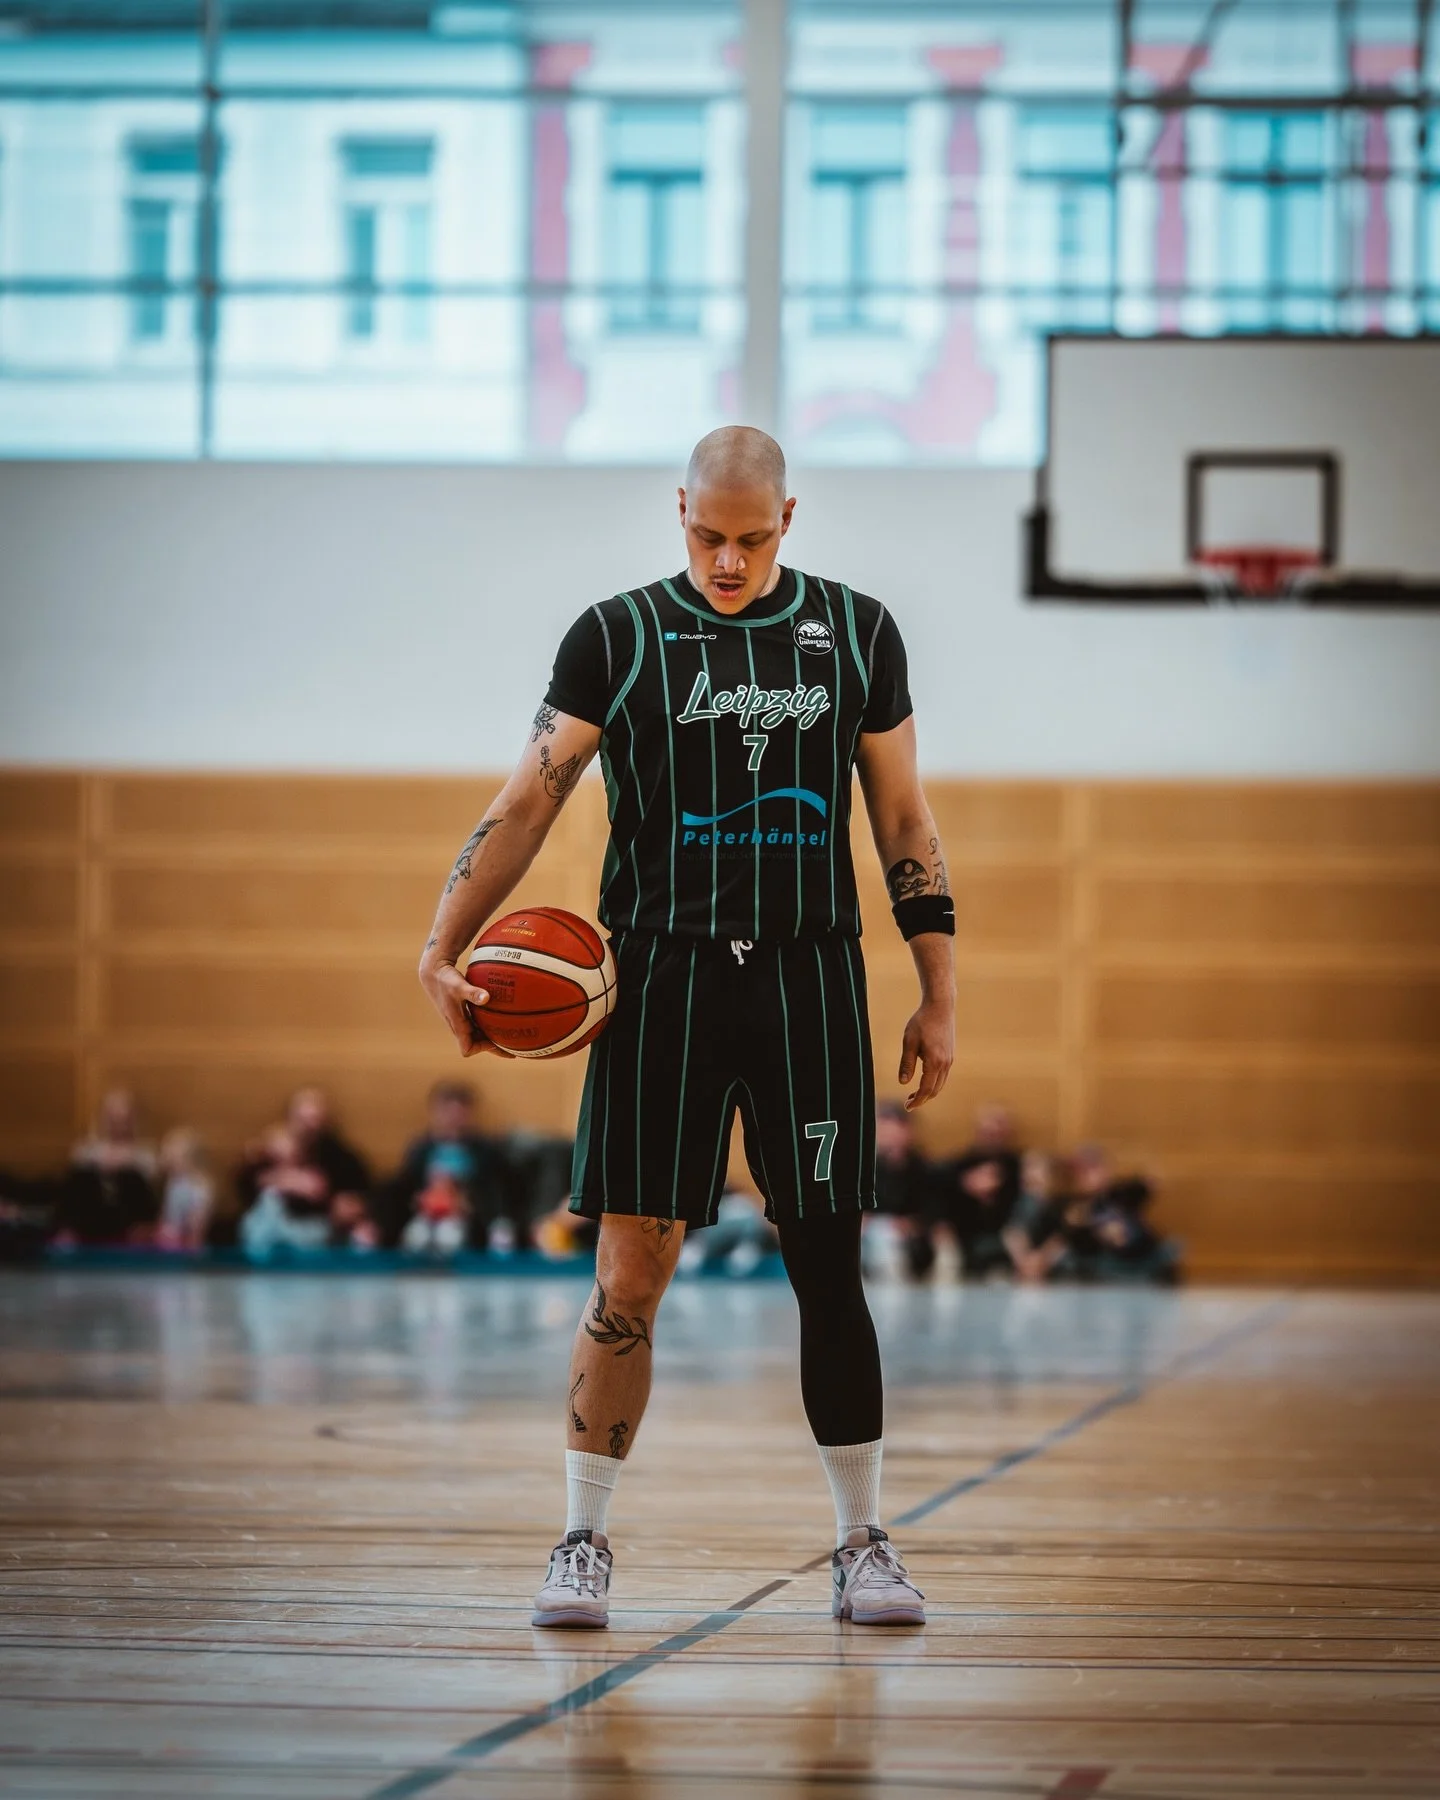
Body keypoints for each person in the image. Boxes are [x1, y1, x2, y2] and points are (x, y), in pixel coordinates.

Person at [420, 427, 955, 1630]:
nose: (727, 559)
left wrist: (940, 986)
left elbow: (906, 818)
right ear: (678, 512)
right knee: (629, 1271)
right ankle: (581, 1540)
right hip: (658, 978)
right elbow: (527, 797)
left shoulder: (859, 631)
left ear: (789, 518)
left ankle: (862, 1542)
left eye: (752, 539)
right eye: (708, 535)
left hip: (812, 979)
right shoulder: (614, 635)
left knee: (828, 1266)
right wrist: (441, 942)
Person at [379, 1080, 512, 1254]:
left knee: (449, 1236)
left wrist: (468, 1203)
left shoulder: (483, 1151)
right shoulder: (421, 1148)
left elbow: (493, 1191)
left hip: (462, 1218)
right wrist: (418, 1200)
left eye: (459, 1113)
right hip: (425, 1215)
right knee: (416, 1236)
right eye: (447, 1111)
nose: (453, 1119)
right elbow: (406, 1185)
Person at [58, 1088, 161, 1245]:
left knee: (130, 1177)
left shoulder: (145, 1154)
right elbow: (74, 1196)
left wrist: (123, 1164)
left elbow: (147, 1196)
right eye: (112, 1118)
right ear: (103, 1118)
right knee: (83, 1176)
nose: (117, 1124)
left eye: (122, 1118)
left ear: (131, 1119)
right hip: (89, 1220)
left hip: (129, 1221)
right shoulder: (85, 1151)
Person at [155, 1128, 214, 1253]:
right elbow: (167, 1216)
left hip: (187, 1248)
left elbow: (197, 1228)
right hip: (168, 1244)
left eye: (172, 1152)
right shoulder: (173, 1181)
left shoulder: (199, 1185)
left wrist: (191, 1250)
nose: (167, 1156)